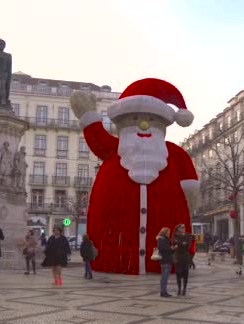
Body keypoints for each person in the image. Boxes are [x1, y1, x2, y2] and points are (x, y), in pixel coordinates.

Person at [70, 78, 199, 275]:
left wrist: (190, 201)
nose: (144, 125)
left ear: (164, 123)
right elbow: (97, 139)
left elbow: (190, 184)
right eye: (135, 118)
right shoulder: (115, 149)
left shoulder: (175, 153)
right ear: (121, 121)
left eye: (153, 119)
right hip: (115, 244)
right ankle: (111, 258)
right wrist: (88, 114)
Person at [173, 224, 194, 296]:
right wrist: (182, 243)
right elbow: (174, 243)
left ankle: (184, 289)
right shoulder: (175, 235)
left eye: (184, 227)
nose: (183, 228)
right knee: (178, 273)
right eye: (182, 227)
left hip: (185, 257)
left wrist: (179, 243)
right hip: (177, 257)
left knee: (186, 273)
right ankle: (179, 288)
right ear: (178, 228)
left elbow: (188, 245)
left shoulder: (188, 235)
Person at [157, 227, 174, 297]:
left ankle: (164, 291)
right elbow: (162, 248)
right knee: (164, 277)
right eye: (168, 232)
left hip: (166, 260)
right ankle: (163, 292)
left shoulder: (163, 239)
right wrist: (171, 248)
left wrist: (172, 249)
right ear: (165, 232)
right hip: (165, 260)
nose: (169, 233)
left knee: (164, 277)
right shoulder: (162, 239)